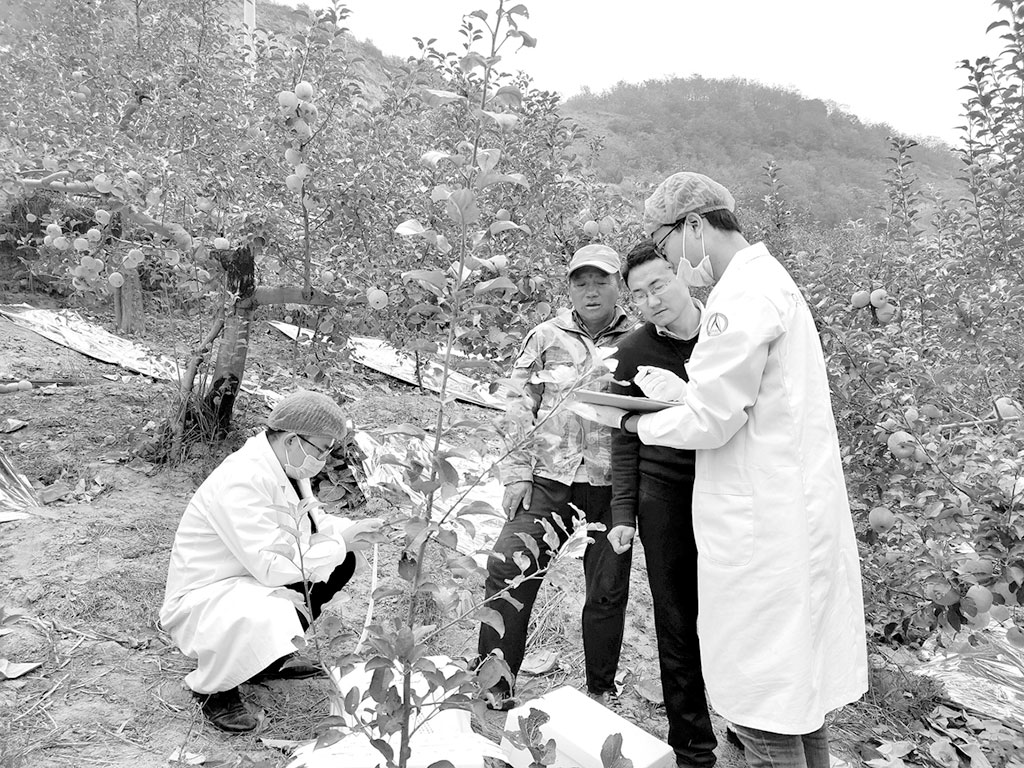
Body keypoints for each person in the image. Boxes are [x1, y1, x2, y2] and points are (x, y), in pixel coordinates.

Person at [581, 172, 868, 768]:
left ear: (692, 226)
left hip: (763, 533)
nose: (670, 268)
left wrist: (639, 422)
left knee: (764, 711)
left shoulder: (739, 297)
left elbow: (713, 418)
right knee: (796, 701)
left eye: (666, 251)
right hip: (783, 515)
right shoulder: (768, 283)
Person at [160, 389, 382, 732]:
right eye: (322, 448)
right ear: (293, 439)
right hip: (208, 595)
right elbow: (269, 563)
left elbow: (310, 524)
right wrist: (339, 541)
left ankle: (265, 661)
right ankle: (214, 689)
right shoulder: (241, 479)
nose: (323, 458)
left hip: (244, 575)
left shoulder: (286, 466)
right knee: (274, 605)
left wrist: (352, 532)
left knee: (342, 560)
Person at [477, 243, 636, 710]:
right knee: (508, 569)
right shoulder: (545, 335)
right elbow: (516, 403)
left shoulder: (641, 337)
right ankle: (494, 684)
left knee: (607, 589)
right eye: (581, 282)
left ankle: (601, 688)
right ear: (569, 287)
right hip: (550, 480)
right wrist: (514, 473)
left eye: (601, 281)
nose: (591, 291)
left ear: (617, 285)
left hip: (611, 485)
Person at [608, 240, 716, 768]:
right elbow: (623, 436)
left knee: (735, 612)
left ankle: (751, 717)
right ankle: (694, 749)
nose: (652, 300)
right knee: (677, 621)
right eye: (638, 294)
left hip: (730, 491)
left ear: (683, 276)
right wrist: (624, 513)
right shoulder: (632, 351)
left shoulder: (727, 334)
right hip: (664, 495)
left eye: (659, 284)